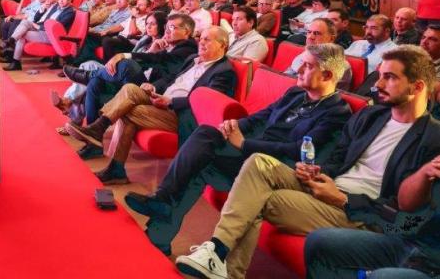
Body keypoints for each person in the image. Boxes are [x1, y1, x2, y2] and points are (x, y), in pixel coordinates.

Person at [175, 46, 440, 279]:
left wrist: (343, 199)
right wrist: (317, 172)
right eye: (380, 75)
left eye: (390, 78)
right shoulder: (371, 116)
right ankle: (218, 254)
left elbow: (409, 216)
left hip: (358, 213)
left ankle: (225, 266)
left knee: (255, 198)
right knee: (259, 162)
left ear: (417, 87)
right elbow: (338, 160)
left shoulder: (433, 138)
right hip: (327, 188)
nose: (378, 85)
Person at [127, 44, 352, 255]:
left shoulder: (337, 113)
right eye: (301, 63)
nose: (299, 69)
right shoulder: (295, 94)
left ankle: (161, 218)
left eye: (308, 66)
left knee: (201, 160)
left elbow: (296, 151)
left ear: (327, 75)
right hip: (250, 155)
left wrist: (244, 144)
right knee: (207, 134)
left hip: (272, 170)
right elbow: (260, 117)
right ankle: (161, 217)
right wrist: (233, 125)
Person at [68, 26, 238, 183]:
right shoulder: (193, 58)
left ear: (223, 45)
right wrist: (154, 87)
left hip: (181, 115)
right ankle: (105, 141)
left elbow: (207, 103)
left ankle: (109, 153)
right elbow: (171, 79)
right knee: (130, 88)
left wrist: (171, 102)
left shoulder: (224, 72)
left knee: (130, 109)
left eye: (208, 40)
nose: (201, 42)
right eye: (201, 38)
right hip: (161, 100)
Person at [52, 12, 191, 139]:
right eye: (167, 27)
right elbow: (152, 60)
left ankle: (85, 79)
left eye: (172, 28)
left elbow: (168, 74)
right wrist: (152, 50)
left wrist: (152, 83)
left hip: (150, 90)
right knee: (95, 83)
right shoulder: (162, 43)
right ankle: (92, 135)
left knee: (126, 64)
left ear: (187, 32)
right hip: (137, 81)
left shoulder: (187, 49)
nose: (167, 31)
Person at [305, 153, 440, 278]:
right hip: (415, 245)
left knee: (383, 277)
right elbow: (405, 204)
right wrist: (425, 172)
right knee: (319, 242)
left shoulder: (429, 135)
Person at [4, 0, 75, 71]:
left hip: (51, 36)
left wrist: (39, 27)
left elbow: (57, 27)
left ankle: (15, 61)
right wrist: (42, 9)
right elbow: (36, 18)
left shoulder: (70, 12)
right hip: (42, 28)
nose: (61, 1)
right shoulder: (56, 6)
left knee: (22, 34)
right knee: (25, 22)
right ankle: (12, 40)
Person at [283, 18, 353, 90]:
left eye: (317, 33)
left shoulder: (340, 65)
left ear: (331, 39)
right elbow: (283, 77)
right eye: (309, 32)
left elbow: (317, 93)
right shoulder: (304, 54)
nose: (310, 37)